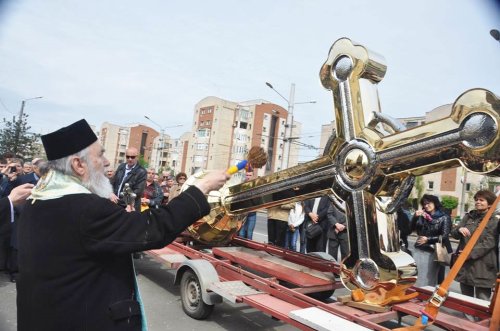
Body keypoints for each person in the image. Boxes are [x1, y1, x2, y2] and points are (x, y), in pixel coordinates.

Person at [16, 119, 229, 331]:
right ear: (78, 165)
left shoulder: (37, 202)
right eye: (99, 155)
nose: (107, 162)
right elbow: (153, 228)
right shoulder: (86, 209)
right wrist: (202, 187)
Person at [450, 190, 499, 301]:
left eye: (481, 200)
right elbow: (454, 234)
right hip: (465, 264)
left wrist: (469, 254)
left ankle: (479, 319)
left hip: (483, 266)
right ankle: (467, 319)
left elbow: (489, 242)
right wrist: (459, 229)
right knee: (465, 299)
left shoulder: (494, 219)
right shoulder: (469, 216)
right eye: (476, 199)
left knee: (481, 300)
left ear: (490, 203)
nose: (478, 202)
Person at [410, 194, 452, 288]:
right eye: (424, 204)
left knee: (429, 277)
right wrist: (415, 217)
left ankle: (427, 296)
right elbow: (411, 229)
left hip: (434, 251)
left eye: (428, 203)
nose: (426, 206)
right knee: (417, 276)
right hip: (419, 249)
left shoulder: (444, 217)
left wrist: (428, 240)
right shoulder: (422, 215)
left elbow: (444, 236)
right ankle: (417, 296)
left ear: (435, 203)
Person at [238, 170, 257, 240]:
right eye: (247, 175)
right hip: (243, 213)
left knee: (249, 234)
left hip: (252, 213)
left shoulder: (255, 186)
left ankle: (246, 249)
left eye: (250, 175)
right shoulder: (242, 185)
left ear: (253, 176)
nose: (248, 177)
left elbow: (257, 201)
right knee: (241, 233)